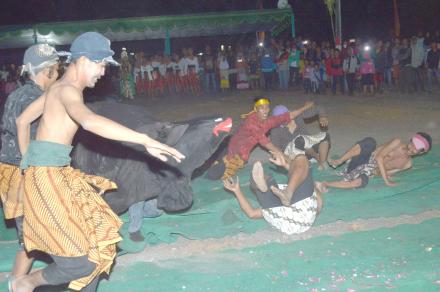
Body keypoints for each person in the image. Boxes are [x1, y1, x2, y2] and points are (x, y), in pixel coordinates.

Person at [12, 32, 185, 292]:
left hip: (53, 173)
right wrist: (144, 140)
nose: (103, 72)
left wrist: (29, 159)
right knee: (78, 264)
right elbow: (89, 121)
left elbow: (22, 121)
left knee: (96, 249)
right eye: (101, 63)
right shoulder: (68, 90)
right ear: (83, 60)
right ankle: (25, 283)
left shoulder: (57, 88)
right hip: (47, 178)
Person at [0, 44, 61, 290]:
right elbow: (33, 140)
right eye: (57, 69)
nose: (59, 74)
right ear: (47, 71)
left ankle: (16, 282)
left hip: (11, 170)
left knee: (29, 236)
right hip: (22, 173)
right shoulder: (35, 99)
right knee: (38, 232)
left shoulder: (17, 93)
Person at [206, 97, 314, 181]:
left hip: (237, 148)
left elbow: (288, 115)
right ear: (255, 109)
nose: (265, 111)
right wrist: (290, 161)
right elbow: (270, 146)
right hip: (233, 150)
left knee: (222, 166)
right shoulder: (252, 123)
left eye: (267, 108)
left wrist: (305, 107)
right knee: (213, 175)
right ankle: (213, 161)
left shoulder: (267, 120)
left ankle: (215, 160)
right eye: (262, 108)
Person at [223, 152, 322, 235]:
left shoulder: (301, 189)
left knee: (301, 159)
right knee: (301, 160)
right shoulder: (303, 192)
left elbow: (251, 213)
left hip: (284, 218)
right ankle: (269, 187)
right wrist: (285, 165)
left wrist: (237, 191)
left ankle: (263, 187)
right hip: (302, 215)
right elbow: (300, 175)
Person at [316, 133, 432, 192]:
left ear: (421, 152)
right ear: (411, 140)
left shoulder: (407, 164)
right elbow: (379, 157)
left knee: (360, 182)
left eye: (416, 148)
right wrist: (387, 181)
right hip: (364, 159)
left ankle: (326, 184)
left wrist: (383, 174)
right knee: (370, 142)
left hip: (369, 172)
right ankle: (339, 161)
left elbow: (387, 172)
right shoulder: (397, 142)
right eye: (413, 144)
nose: (412, 148)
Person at [270, 104, 330, 170]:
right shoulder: (275, 129)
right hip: (292, 155)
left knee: (325, 136)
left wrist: (323, 116)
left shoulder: (296, 115)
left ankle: (323, 162)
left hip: (307, 147)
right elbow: (276, 150)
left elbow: (318, 108)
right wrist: (289, 161)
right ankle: (317, 158)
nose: (282, 121)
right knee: (299, 140)